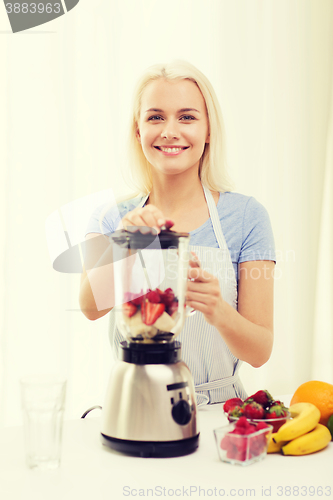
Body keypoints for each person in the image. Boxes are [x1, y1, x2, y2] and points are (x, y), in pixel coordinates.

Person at [79, 60, 276, 405]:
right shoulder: (111, 217)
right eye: (155, 117)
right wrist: (125, 243)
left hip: (219, 411)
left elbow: (260, 351)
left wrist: (219, 309)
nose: (170, 131)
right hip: (136, 404)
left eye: (187, 117)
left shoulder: (247, 217)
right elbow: (91, 307)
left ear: (209, 130)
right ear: (138, 131)